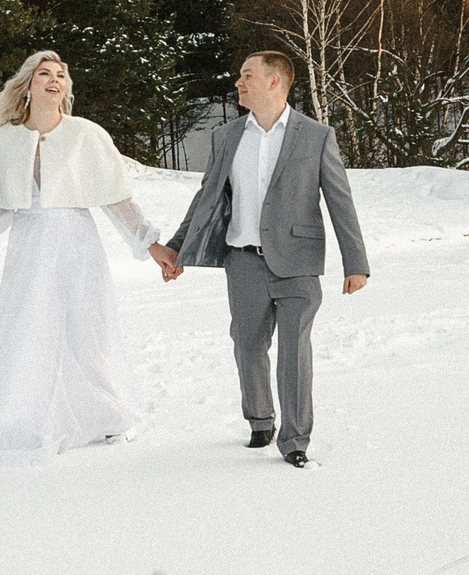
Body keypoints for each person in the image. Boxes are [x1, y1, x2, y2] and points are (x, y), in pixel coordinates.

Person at [0, 50, 178, 467]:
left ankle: (99, 413)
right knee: (27, 326)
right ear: (28, 85)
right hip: (30, 247)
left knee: (86, 325)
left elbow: (116, 200)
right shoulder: (3, 140)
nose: (54, 80)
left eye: (61, 75)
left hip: (77, 243)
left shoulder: (86, 134)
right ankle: (22, 416)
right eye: (45, 74)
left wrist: (151, 245)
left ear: (67, 87)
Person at [155, 51, 368, 466]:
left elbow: (340, 199)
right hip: (243, 261)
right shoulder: (226, 136)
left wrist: (355, 261)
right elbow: (207, 198)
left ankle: (295, 441)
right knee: (248, 345)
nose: (238, 82)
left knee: (294, 350)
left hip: (299, 262)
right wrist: (179, 247)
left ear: (274, 82)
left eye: (246, 75)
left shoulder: (316, 136)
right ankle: (259, 421)